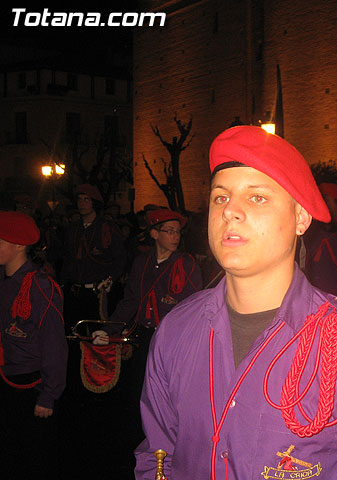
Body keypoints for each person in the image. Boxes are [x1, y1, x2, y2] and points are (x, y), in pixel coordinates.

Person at [134, 126, 337, 479]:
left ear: (301, 218)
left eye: (257, 197)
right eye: (220, 198)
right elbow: (157, 457)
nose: (230, 212)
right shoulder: (176, 331)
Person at [92, 208, 202, 436]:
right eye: (169, 231)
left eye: (178, 232)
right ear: (154, 234)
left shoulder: (186, 263)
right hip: (142, 336)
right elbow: (130, 301)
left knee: (169, 399)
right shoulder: (141, 262)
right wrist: (108, 330)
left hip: (173, 342)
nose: (175, 237)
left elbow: (194, 307)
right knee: (138, 394)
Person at [0, 211, 68, 478]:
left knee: (34, 457)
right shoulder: (4, 282)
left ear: (18, 245)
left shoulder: (40, 287)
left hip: (31, 385)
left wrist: (49, 395)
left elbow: (54, 346)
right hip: (5, 376)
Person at [61, 183, 127, 330]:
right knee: (74, 334)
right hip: (75, 293)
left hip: (98, 293)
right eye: (80, 199)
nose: (82, 203)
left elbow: (120, 258)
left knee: (96, 335)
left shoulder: (107, 227)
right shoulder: (73, 229)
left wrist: (111, 279)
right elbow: (67, 259)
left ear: (94, 203)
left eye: (86, 200)